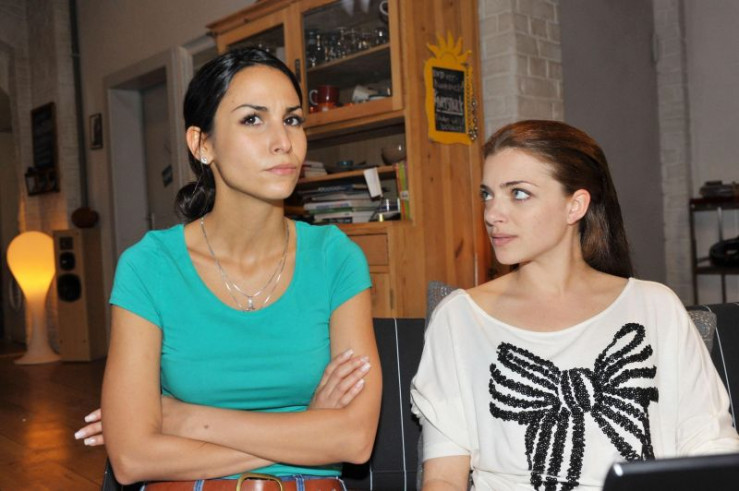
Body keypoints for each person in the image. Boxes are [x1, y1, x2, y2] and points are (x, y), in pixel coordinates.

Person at [74, 48, 382, 490]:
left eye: (292, 119)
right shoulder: (149, 266)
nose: (283, 141)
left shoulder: (336, 257)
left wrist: (187, 420)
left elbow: (354, 440)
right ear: (202, 144)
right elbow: (131, 458)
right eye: (253, 119)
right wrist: (312, 427)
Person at [410, 120, 739, 490]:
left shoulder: (656, 307)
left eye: (518, 193)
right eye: (487, 194)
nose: (491, 214)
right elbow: (444, 478)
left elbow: (710, 445)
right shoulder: (459, 319)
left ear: (575, 206)